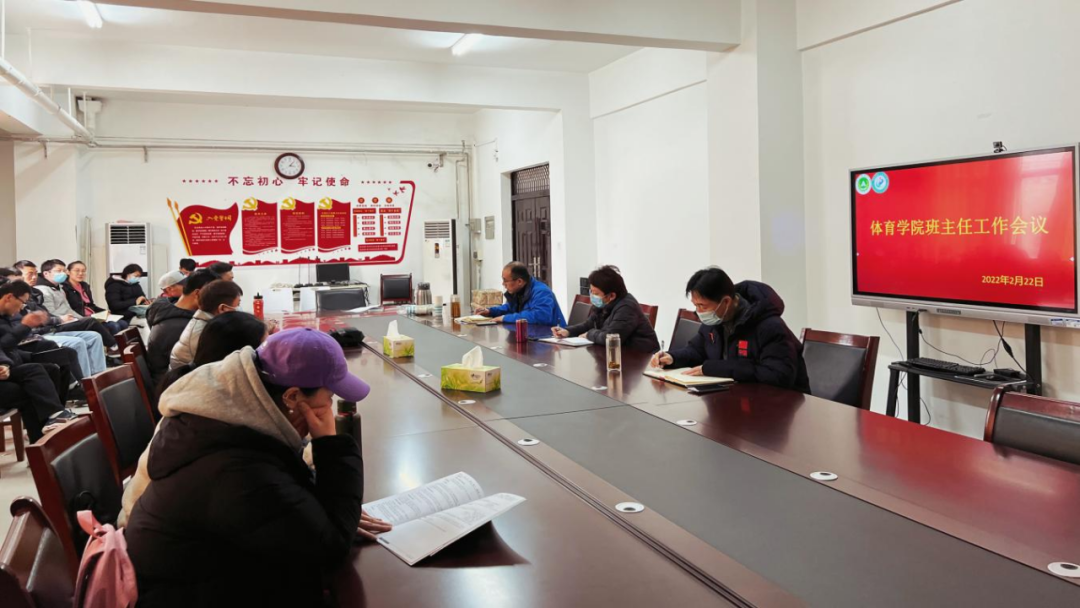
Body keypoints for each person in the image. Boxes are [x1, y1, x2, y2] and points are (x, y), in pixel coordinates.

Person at [124, 328, 390, 607]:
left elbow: (295, 510)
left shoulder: (226, 417)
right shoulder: (238, 471)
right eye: (329, 395)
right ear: (292, 397)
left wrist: (330, 513)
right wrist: (330, 445)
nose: (329, 405)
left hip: (205, 580)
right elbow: (330, 548)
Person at [651, 267, 810, 392]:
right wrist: (672, 358)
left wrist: (714, 368)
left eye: (702, 306)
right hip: (733, 399)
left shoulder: (769, 326)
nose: (699, 312)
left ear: (726, 302)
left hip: (777, 406)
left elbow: (778, 376)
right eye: (695, 305)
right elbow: (697, 351)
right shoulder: (714, 321)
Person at [0, 279, 79, 440]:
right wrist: (25, 326)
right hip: (6, 370)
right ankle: (46, 428)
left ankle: (56, 415)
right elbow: (5, 344)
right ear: (9, 297)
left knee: (56, 363)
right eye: (22, 302)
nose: (22, 307)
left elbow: (8, 348)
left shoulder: (5, 316)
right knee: (32, 382)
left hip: (10, 363)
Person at [12, 261, 109, 376]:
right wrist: (59, 319)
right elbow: (36, 319)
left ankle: (99, 375)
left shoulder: (35, 293)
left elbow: (46, 314)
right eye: (30, 274)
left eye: (35, 273)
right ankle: (86, 380)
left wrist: (63, 319)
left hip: (49, 328)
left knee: (94, 336)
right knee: (79, 340)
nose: (34, 277)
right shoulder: (28, 294)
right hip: (37, 334)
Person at [553, 265, 660, 352]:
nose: (592, 296)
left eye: (596, 293)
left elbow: (611, 338)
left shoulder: (627, 307)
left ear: (611, 295)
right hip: (617, 355)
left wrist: (589, 334)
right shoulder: (604, 304)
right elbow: (588, 324)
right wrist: (567, 331)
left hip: (640, 359)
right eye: (591, 292)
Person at [145, 270, 215, 386]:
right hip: (171, 386)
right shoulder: (181, 327)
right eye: (214, 295)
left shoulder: (169, 313)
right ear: (198, 293)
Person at [34, 259, 121, 352]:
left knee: (95, 326)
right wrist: (64, 319)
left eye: (64, 270)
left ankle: (111, 350)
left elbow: (68, 308)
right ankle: (114, 346)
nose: (63, 273)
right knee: (92, 322)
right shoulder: (43, 290)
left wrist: (80, 319)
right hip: (57, 324)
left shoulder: (59, 288)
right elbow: (50, 312)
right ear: (46, 273)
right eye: (59, 271)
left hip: (68, 319)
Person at [169, 279, 243, 370]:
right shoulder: (205, 334)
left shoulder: (207, 323)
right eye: (238, 304)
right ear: (222, 308)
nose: (239, 308)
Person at [476, 261, 566, 327]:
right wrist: (490, 311)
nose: (503, 284)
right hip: (531, 334)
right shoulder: (518, 290)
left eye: (505, 281)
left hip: (551, 337)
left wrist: (505, 318)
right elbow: (509, 307)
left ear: (519, 281)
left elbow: (540, 317)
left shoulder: (541, 292)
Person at [64, 260, 129, 334]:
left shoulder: (85, 286)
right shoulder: (64, 288)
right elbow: (69, 308)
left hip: (94, 316)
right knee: (114, 326)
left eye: (83, 271)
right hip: (82, 318)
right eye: (77, 270)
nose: (81, 273)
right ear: (68, 272)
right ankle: (111, 342)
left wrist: (104, 312)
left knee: (123, 323)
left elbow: (91, 305)